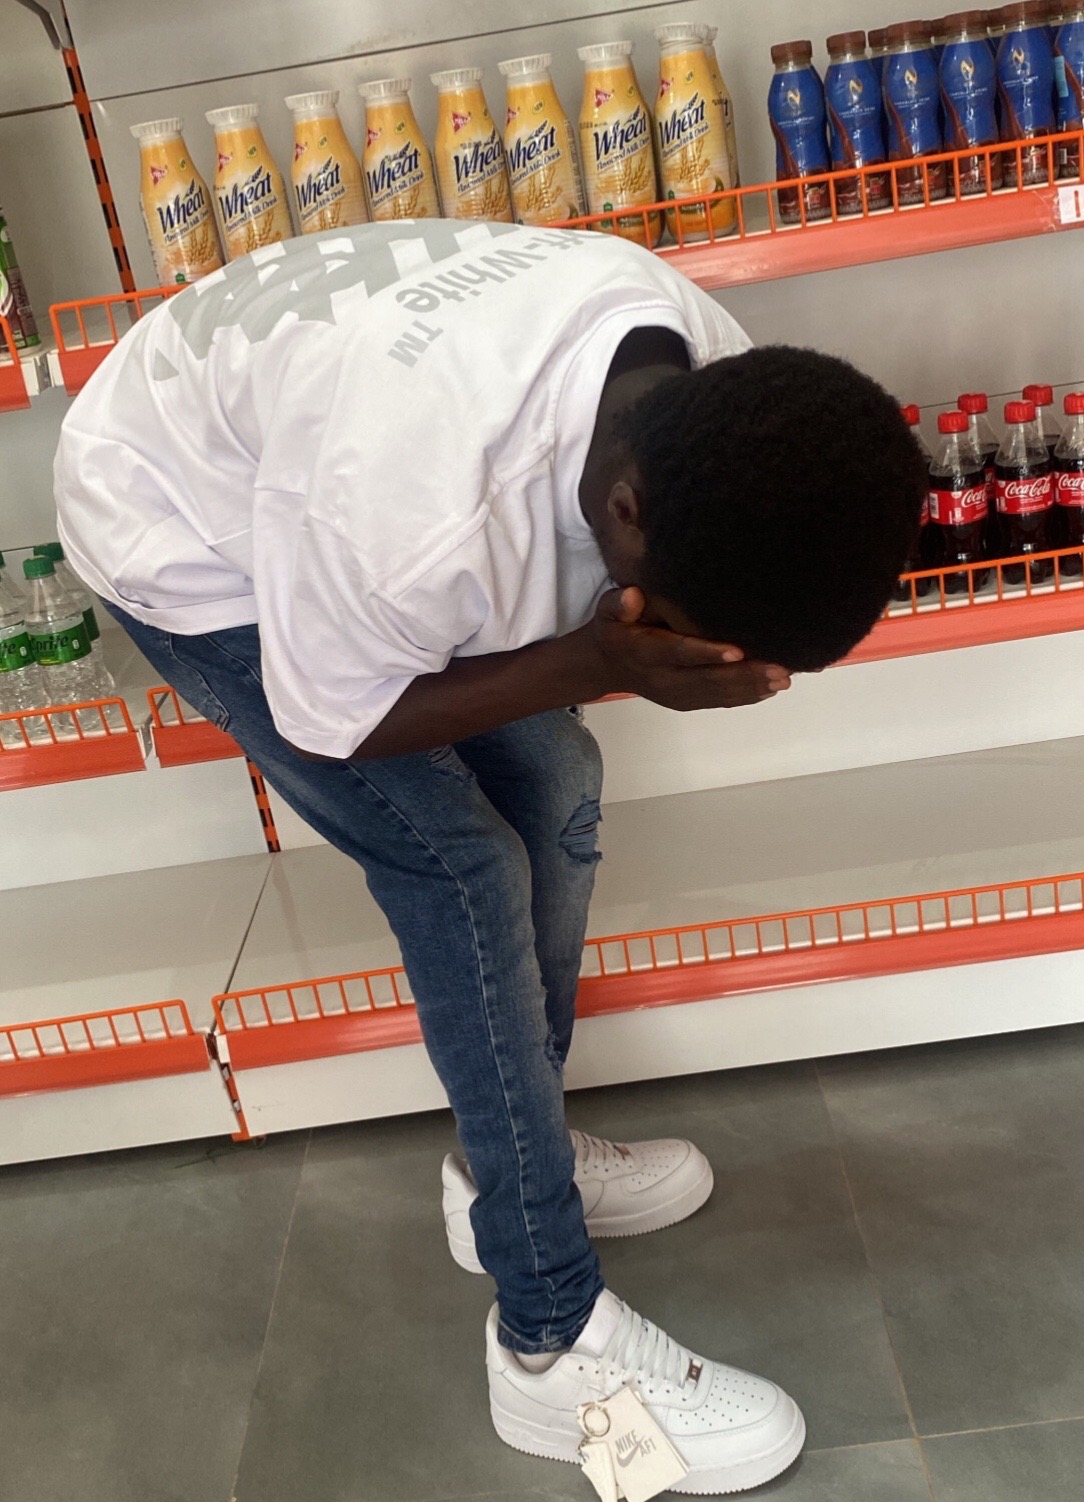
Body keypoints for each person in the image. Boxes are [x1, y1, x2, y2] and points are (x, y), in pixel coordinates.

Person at [54, 219, 927, 1495]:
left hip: (313, 445)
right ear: (625, 513)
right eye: (690, 635)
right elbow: (333, 720)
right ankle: (547, 1340)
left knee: (560, 779)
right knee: (461, 865)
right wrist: (594, 660)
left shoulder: (712, 376)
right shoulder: (408, 507)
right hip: (181, 526)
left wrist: (611, 657)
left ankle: (508, 1170)